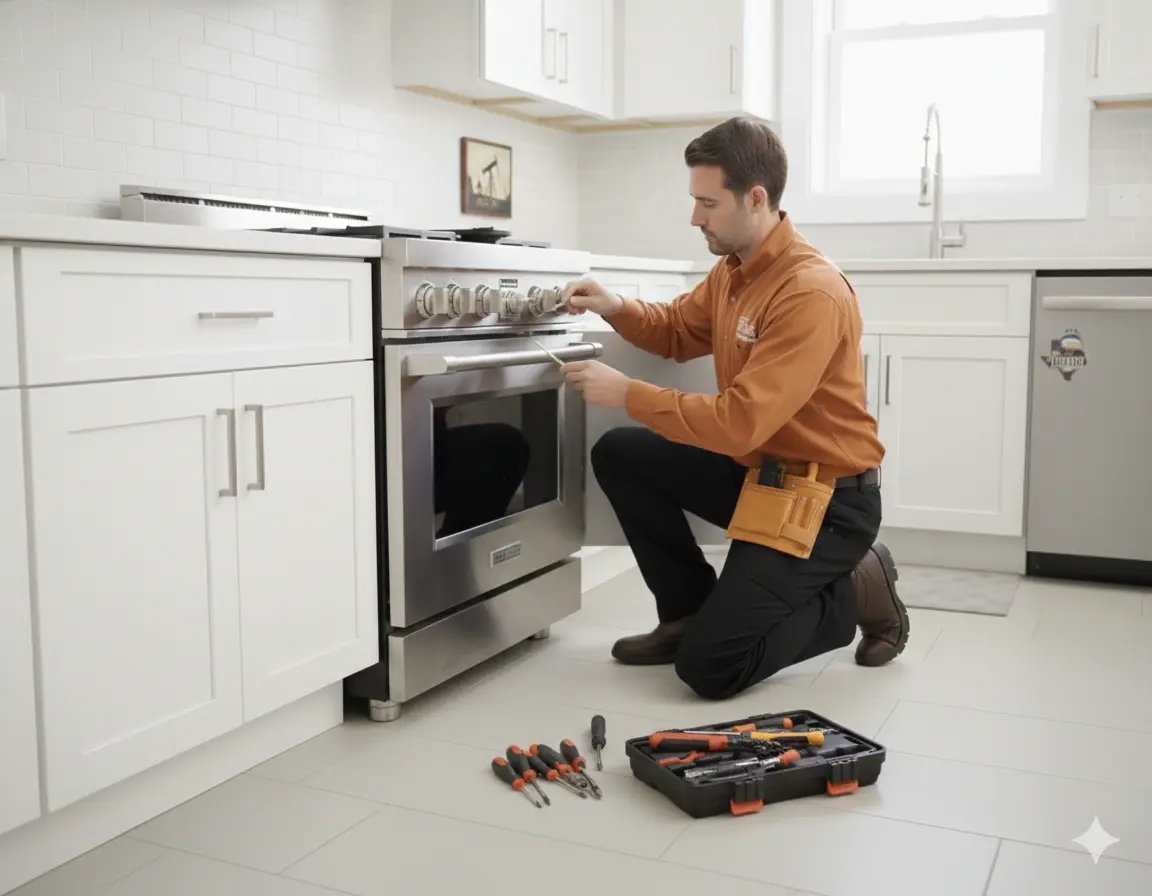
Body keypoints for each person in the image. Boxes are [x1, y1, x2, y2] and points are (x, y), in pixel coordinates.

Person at [559, 116, 909, 701]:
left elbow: (742, 420)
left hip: (825, 502)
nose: (695, 218)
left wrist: (628, 393)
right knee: (622, 453)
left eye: (707, 203)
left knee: (712, 668)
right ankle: (686, 614)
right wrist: (614, 305)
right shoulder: (734, 271)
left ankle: (857, 588)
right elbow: (676, 330)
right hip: (760, 477)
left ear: (756, 198)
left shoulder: (809, 292)